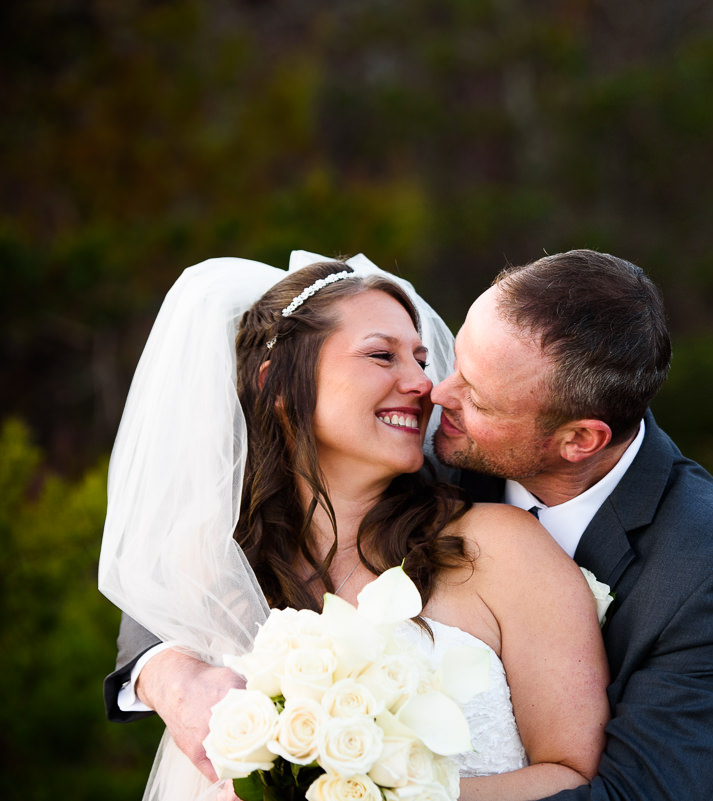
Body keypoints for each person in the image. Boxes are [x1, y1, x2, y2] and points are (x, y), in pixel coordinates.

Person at [98, 253, 608, 801]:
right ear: (278, 383)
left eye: (420, 357)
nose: (424, 385)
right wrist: (169, 676)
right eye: (381, 356)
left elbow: (575, 775)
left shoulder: (500, 549)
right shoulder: (215, 564)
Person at [430, 249, 713, 800]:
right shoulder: (422, 473)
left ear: (580, 440)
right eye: (455, 361)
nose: (438, 394)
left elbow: (641, 794)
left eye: (476, 399)